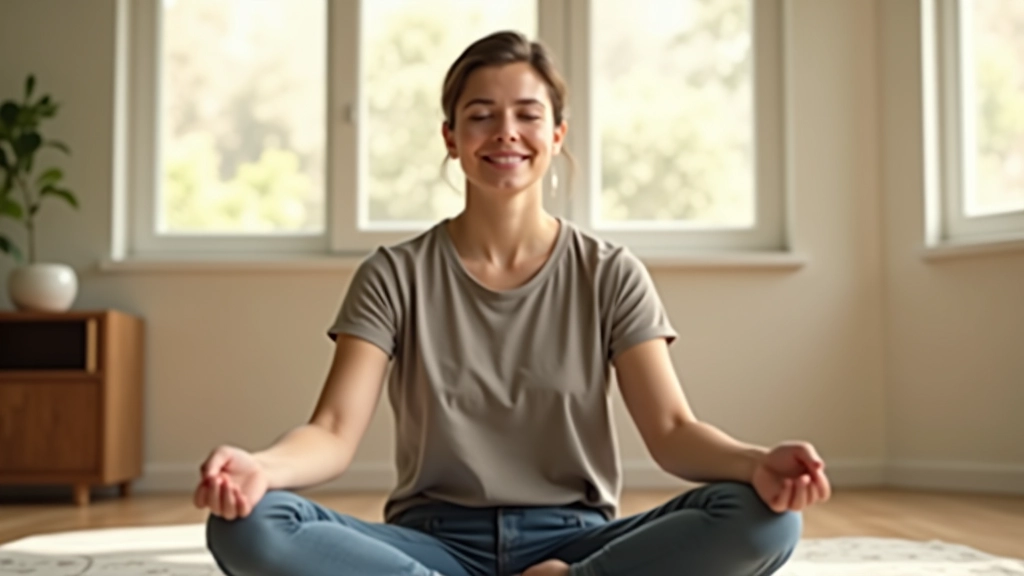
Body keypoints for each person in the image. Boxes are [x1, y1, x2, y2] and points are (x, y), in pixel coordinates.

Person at [194, 30, 831, 576]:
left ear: (557, 134)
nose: (506, 133)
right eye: (480, 114)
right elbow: (332, 433)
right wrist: (260, 467)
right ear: (450, 136)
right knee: (249, 525)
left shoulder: (610, 273)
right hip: (432, 542)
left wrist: (756, 463)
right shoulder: (393, 274)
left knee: (763, 519)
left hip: (575, 539)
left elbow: (672, 433)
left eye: (527, 114)